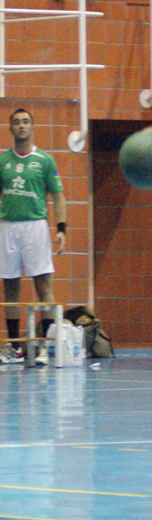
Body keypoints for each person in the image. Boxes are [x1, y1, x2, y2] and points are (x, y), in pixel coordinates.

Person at [0, 108, 66, 365]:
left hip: (36, 227)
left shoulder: (45, 160)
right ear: (10, 128)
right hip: (8, 227)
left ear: (33, 127)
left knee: (43, 285)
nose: (21, 126)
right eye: (16, 122)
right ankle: (15, 347)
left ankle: (47, 347)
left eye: (26, 121)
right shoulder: (3, 161)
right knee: (10, 287)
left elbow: (58, 196)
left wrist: (62, 229)